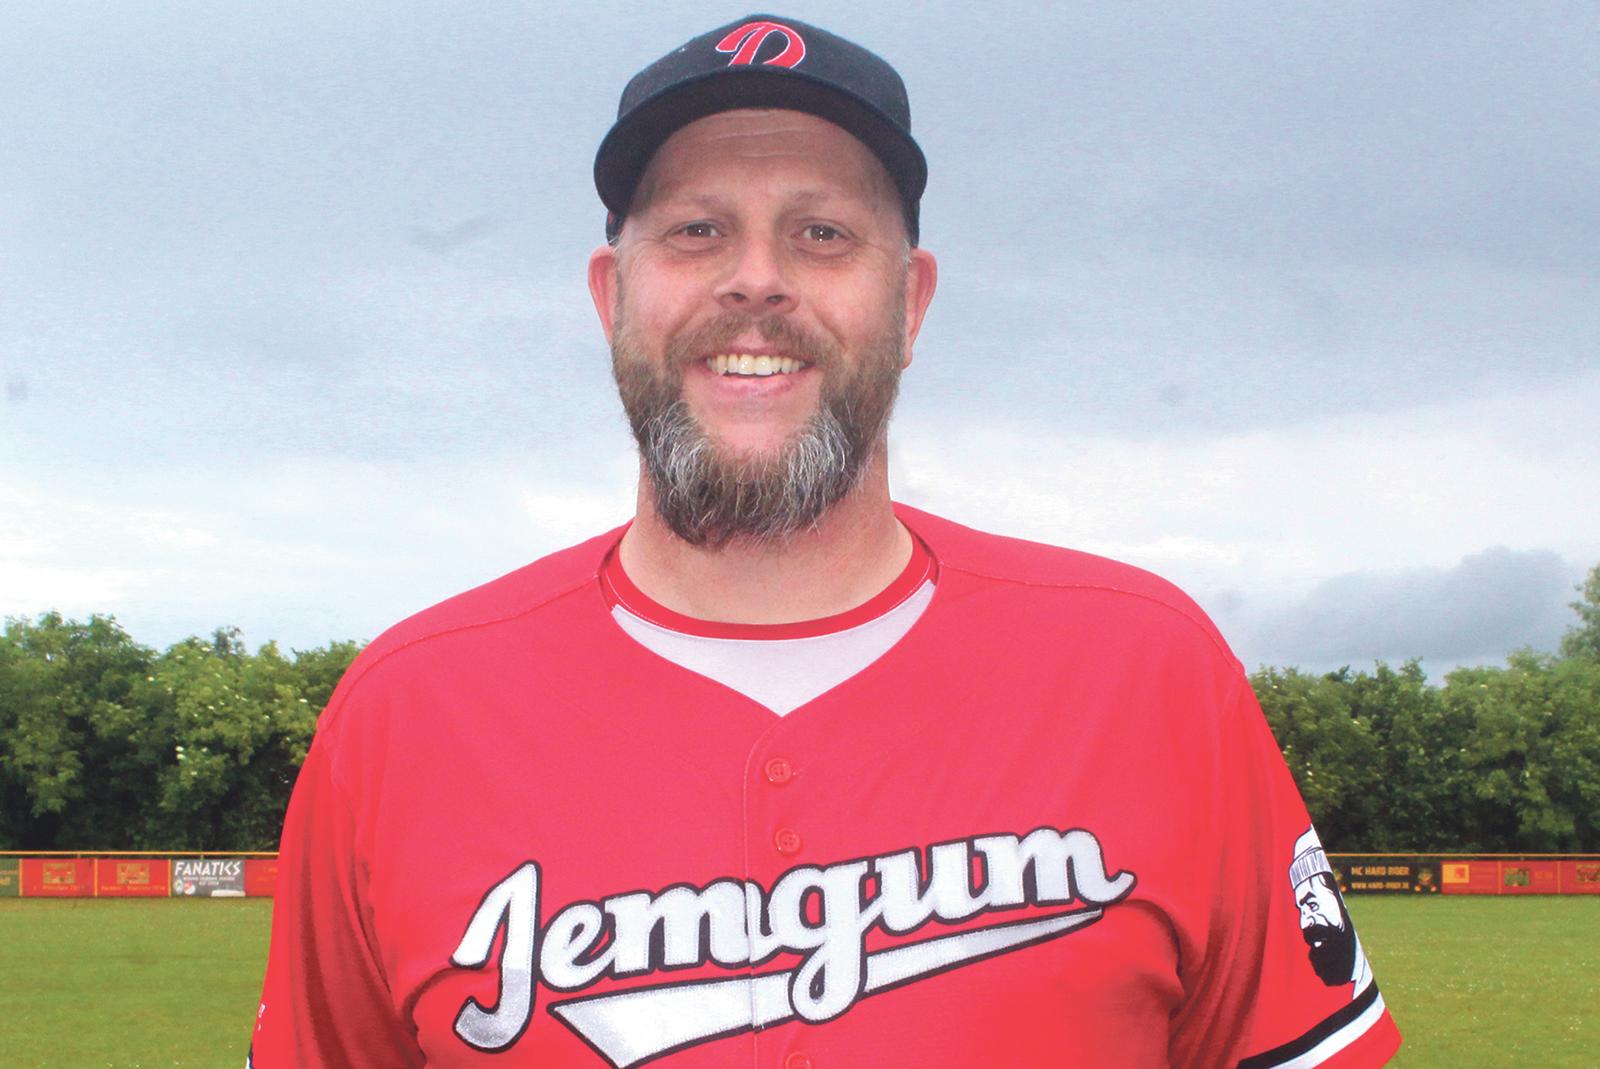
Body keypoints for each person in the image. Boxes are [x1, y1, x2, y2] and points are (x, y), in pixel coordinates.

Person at [251, 14, 1401, 1068]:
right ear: (611, 297)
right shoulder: (402, 713)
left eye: (822, 233)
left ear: (911, 303)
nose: (756, 281)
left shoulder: (1146, 670)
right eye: (697, 230)